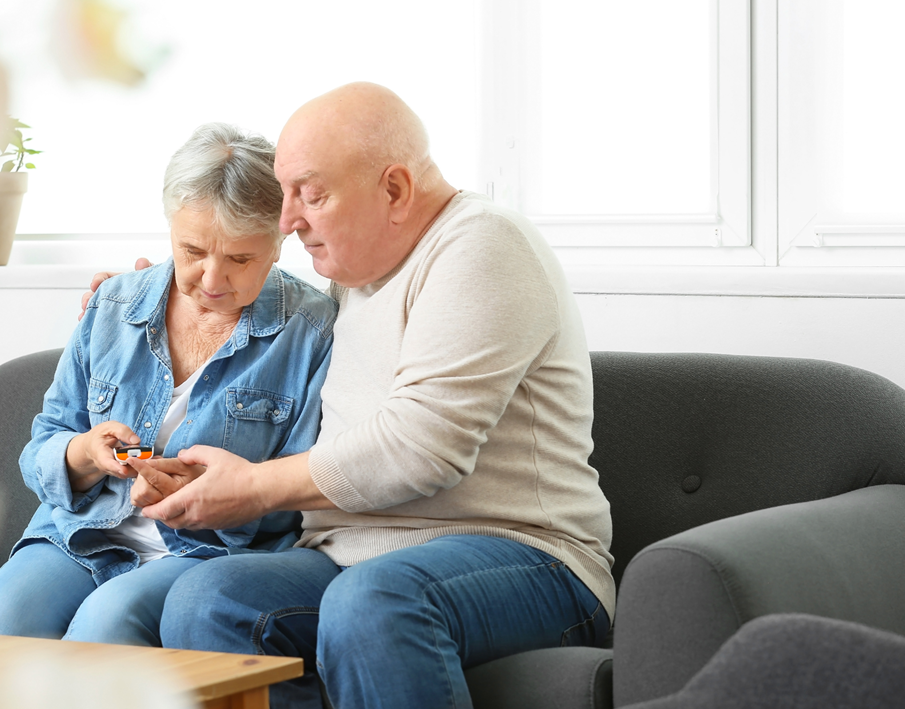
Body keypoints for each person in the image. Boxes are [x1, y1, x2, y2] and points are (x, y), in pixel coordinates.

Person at [98, 82, 614, 709]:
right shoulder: (351, 279)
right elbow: (248, 297)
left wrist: (255, 488)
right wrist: (153, 296)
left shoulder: (481, 245)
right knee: (209, 597)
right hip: (351, 555)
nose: (288, 220)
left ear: (394, 190)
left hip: (526, 558)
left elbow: (421, 449)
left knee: (374, 599)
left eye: (310, 195)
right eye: (286, 195)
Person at [0, 123, 337, 646]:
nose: (210, 279)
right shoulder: (114, 305)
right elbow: (45, 440)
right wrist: (84, 454)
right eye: (193, 251)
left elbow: (304, 493)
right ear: (169, 229)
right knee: (0, 623)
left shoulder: (311, 330)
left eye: (240, 259)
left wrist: (211, 495)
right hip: (82, 533)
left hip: (208, 552)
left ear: (279, 241)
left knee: (106, 625)